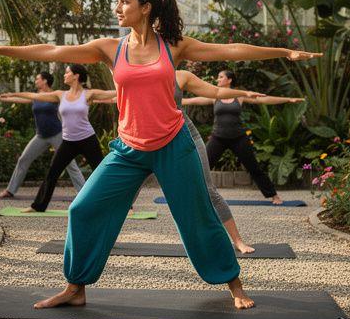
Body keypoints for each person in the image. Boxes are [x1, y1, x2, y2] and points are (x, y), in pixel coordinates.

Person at [0, 0, 320, 311]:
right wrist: (3, 51)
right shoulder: (110, 48)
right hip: (129, 148)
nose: (117, 9)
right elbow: (54, 50)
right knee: (81, 209)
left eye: (124, 2)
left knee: (197, 217)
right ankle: (76, 288)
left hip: (173, 145)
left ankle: (234, 285)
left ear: (145, 7)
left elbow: (232, 49)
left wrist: (284, 52)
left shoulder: (175, 47)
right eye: (118, 2)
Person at [96, 69, 268, 254]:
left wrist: (243, 93)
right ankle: (106, 238)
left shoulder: (180, 75)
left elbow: (216, 91)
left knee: (208, 190)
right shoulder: (138, 73)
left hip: (186, 136)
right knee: (130, 189)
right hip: (151, 140)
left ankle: (238, 241)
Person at [0, 64, 116, 212]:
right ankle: (38, 206)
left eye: (67, 72)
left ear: (76, 76)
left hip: (87, 139)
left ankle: (124, 205)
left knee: (102, 172)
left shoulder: (88, 94)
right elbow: (35, 96)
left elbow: (113, 92)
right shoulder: (60, 94)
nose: (64, 75)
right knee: (52, 173)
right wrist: (12, 95)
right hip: (68, 141)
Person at [183, 69, 305, 205]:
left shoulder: (239, 96)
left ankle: (273, 196)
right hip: (218, 138)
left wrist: (287, 99)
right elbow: (192, 100)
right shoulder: (214, 96)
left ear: (229, 80)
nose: (218, 79)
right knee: (202, 166)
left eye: (221, 77)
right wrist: (175, 99)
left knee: (254, 168)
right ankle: (188, 195)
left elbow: (264, 99)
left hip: (238, 138)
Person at [0, 72, 85, 199]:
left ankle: (84, 192)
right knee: (23, 159)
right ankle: (10, 191)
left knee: (69, 163)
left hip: (57, 134)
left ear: (45, 81)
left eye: (38, 79)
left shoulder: (54, 95)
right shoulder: (36, 96)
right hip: (41, 136)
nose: (35, 81)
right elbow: (20, 99)